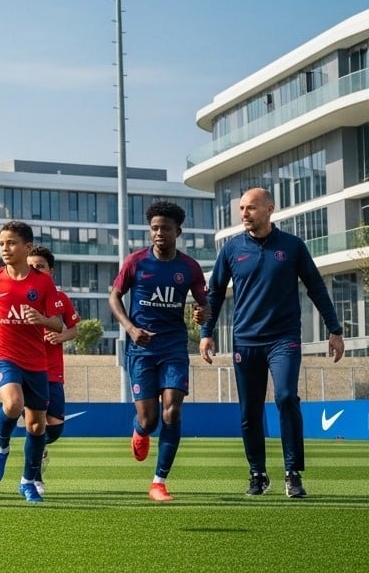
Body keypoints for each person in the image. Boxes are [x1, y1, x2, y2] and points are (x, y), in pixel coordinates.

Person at [201, 187, 345, 499]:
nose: (244, 214)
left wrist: (334, 329)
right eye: (241, 209)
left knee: (285, 397)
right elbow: (214, 293)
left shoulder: (293, 247)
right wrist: (205, 333)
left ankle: (292, 473)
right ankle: (257, 473)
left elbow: (317, 288)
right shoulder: (231, 250)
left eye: (251, 208)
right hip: (245, 341)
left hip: (284, 339)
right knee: (249, 411)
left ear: (270, 209)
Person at [0, 220, 67, 503]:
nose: (5, 248)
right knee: (12, 403)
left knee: (36, 427)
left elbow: (58, 323)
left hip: (36, 362)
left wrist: (41, 319)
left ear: (27, 247)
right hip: (3, 355)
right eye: (1, 244)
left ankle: (27, 482)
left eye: (11, 243)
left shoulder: (43, 282)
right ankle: (1, 446)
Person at [109, 200, 208, 502]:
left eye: (165, 228)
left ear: (178, 231)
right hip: (141, 350)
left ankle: (159, 482)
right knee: (150, 420)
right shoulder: (136, 262)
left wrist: (202, 313)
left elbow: (204, 303)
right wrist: (130, 329)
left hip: (174, 347)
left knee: (173, 410)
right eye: (154, 228)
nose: (159, 233)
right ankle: (140, 430)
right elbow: (114, 297)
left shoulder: (189, 267)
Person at [25, 244, 80, 496]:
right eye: (31, 266)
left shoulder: (60, 298)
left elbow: (74, 328)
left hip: (53, 370)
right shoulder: (21, 295)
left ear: (51, 271)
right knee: (35, 424)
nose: (35, 270)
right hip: (28, 368)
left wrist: (61, 337)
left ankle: (38, 452)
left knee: (55, 428)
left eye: (40, 266)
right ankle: (33, 478)